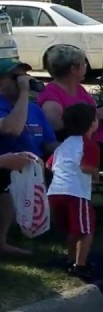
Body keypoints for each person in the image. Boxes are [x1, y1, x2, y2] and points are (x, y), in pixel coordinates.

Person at [36, 44, 103, 190]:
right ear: (73, 69)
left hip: (98, 141)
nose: (86, 67)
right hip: (80, 148)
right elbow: (56, 126)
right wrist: (93, 115)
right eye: (84, 63)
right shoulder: (51, 96)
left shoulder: (79, 89)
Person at [0, 58, 57, 255]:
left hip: (37, 165)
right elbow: (12, 129)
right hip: (10, 166)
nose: (23, 80)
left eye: (25, 76)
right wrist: (24, 93)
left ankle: (67, 227)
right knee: (6, 179)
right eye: (17, 77)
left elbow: (50, 143)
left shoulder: (34, 109)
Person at [47, 103, 100, 277]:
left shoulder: (63, 145)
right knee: (86, 229)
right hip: (76, 193)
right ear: (92, 123)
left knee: (72, 229)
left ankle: (71, 259)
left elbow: (49, 165)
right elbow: (86, 167)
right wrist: (95, 174)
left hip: (55, 192)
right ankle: (81, 264)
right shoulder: (89, 145)